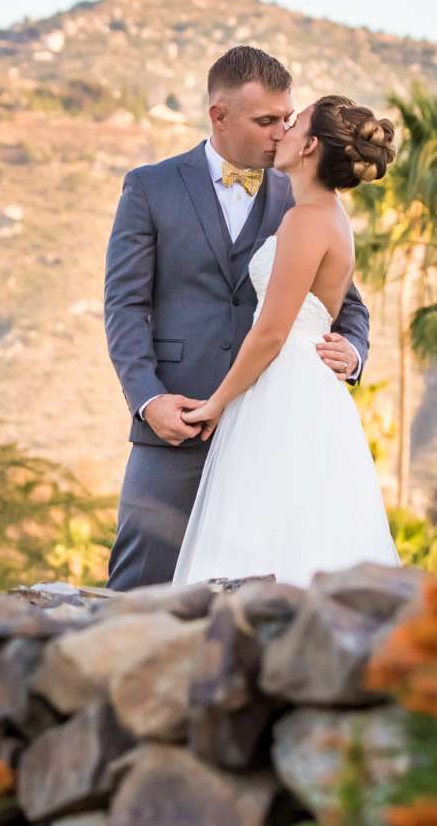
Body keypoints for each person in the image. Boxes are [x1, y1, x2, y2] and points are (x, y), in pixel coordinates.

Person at [100, 44, 383, 588]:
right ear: (219, 116)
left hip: (273, 428)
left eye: (286, 119)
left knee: (273, 584)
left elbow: (347, 304)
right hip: (177, 423)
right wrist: (148, 399)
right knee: (140, 582)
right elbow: (125, 304)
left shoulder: (302, 195)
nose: (281, 132)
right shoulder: (150, 187)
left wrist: (353, 350)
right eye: (266, 121)